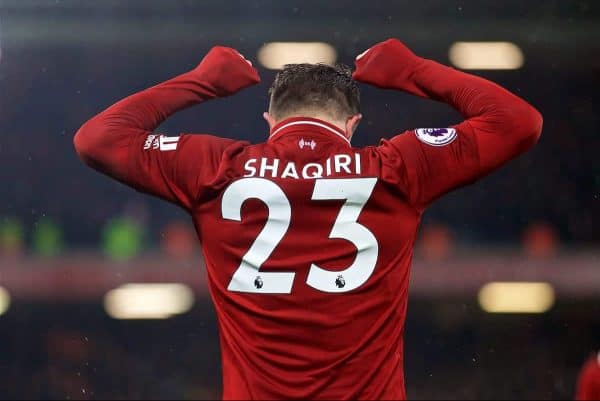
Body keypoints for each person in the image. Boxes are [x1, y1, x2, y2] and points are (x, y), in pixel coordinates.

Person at [74, 39, 542, 400]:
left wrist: (203, 81)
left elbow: (97, 139)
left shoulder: (215, 168)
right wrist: (412, 70)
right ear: (353, 124)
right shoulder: (396, 169)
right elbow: (518, 122)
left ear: (269, 120)